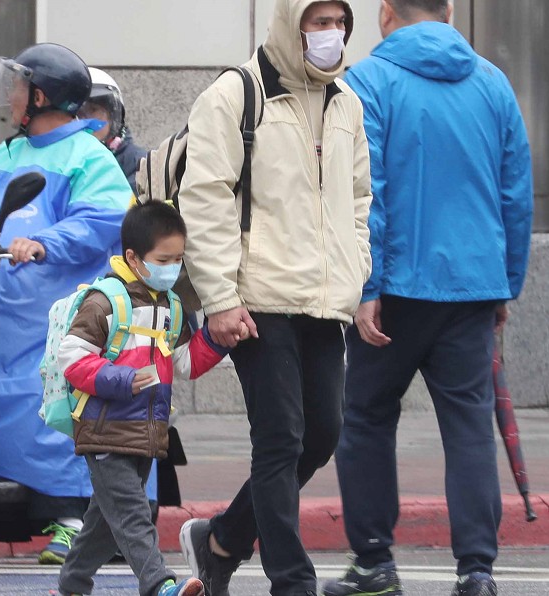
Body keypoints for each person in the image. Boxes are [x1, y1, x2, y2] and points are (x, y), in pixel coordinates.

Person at [322, 1, 533, 595]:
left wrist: (366, 288)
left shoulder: (366, 81)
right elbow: (514, 193)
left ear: (386, 12)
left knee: (364, 418)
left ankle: (374, 563)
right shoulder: (493, 82)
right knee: (469, 425)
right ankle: (476, 572)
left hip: (394, 290)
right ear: (446, 11)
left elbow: (369, 192)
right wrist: (504, 284)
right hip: (471, 287)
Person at [175, 1, 373, 594]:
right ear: (292, 24)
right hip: (257, 297)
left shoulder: (347, 102)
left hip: (324, 298)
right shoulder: (237, 94)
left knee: (322, 435)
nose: (331, 35)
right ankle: (292, 580)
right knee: (281, 435)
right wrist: (219, 298)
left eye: (340, 23)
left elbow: (359, 198)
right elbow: (205, 199)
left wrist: (355, 271)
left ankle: (222, 541)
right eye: (319, 22)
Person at [0, 43, 133, 565]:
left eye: (16, 85)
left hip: (49, 325)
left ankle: (72, 518)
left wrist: (47, 241)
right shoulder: (6, 154)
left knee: (51, 408)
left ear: (41, 95)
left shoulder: (87, 156)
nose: (7, 96)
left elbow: (105, 218)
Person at [56, 202, 235, 596]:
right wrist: (123, 380)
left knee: (105, 522)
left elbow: (184, 362)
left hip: (146, 431)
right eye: (163, 259)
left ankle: (71, 586)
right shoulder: (105, 301)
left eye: (178, 259)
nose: (172, 267)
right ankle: (159, 585)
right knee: (134, 515)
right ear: (134, 258)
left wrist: (219, 339)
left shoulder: (171, 305)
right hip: (105, 429)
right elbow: (71, 358)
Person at [78, 67, 146, 193]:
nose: (84, 120)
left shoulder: (139, 164)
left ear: (112, 115)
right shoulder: (62, 159)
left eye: (93, 110)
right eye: (78, 113)